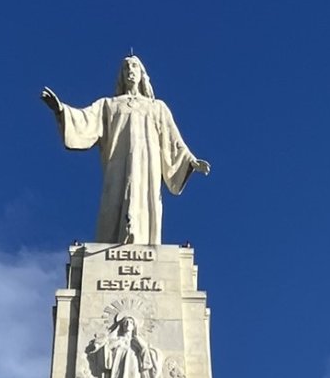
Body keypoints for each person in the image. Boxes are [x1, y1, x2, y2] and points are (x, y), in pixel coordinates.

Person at [41, 56, 211, 245]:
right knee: (115, 201)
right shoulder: (109, 104)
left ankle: (143, 242)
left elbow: (173, 140)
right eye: (126, 67)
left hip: (148, 166)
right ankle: (113, 242)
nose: (130, 69)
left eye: (134, 66)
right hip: (117, 165)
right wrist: (61, 110)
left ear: (142, 74)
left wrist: (190, 161)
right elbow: (85, 120)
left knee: (144, 201)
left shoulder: (157, 107)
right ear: (121, 75)